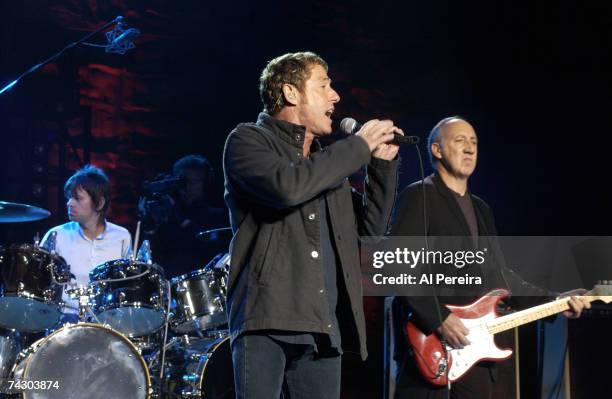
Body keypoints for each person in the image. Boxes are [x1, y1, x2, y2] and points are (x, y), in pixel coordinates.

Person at [223, 51, 401, 399]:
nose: (335, 96)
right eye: (324, 84)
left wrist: (380, 169)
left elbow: (368, 233)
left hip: (323, 327)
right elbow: (287, 187)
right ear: (291, 93)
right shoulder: (248, 141)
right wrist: (358, 145)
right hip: (267, 321)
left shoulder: (325, 167)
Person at [389, 116, 591, 399]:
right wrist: (439, 318)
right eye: (460, 141)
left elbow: (500, 276)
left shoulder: (481, 209)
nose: (470, 148)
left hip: (475, 349)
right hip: (431, 346)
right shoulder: (419, 196)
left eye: (474, 142)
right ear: (436, 150)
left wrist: (554, 302)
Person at [41, 165, 131, 321]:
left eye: (77, 198)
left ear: (99, 203)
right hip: (63, 321)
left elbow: (127, 285)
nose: (69, 203)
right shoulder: (56, 235)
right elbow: (38, 282)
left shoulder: (121, 237)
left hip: (107, 322)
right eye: (69, 197)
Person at [139, 154, 228, 277]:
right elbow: (149, 256)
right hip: (166, 283)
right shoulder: (167, 211)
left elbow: (206, 245)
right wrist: (150, 224)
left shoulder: (216, 216)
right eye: (183, 182)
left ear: (205, 183)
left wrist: (179, 217)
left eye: (194, 182)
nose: (187, 187)